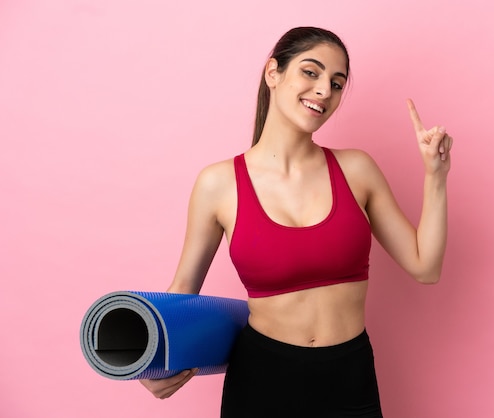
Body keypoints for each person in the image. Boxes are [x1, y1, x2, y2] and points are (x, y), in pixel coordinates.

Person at [140, 26, 453, 417]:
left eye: (337, 83)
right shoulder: (218, 183)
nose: (325, 90)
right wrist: (153, 362)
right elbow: (183, 291)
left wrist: (435, 176)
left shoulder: (357, 169)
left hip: (349, 377)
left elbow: (425, 267)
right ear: (273, 72)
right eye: (311, 72)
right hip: (261, 382)